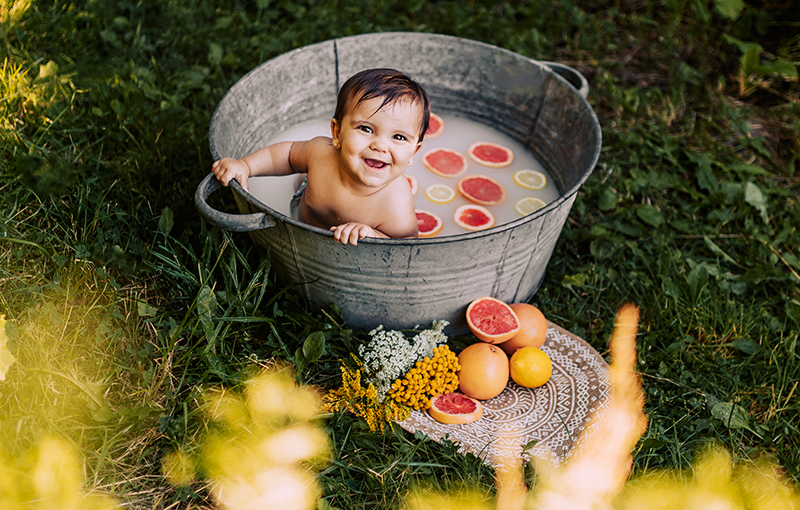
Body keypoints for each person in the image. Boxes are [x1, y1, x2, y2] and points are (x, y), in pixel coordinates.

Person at [212, 68, 431, 245]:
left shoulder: (396, 202)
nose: (380, 146)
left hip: (350, 253)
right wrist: (245, 166)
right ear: (337, 133)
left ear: (413, 152)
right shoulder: (321, 153)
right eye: (366, 129)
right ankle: (303, 178)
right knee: (303, 169)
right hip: (302, 211)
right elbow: (286, 155)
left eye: (399, 137)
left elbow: (406, 246)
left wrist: (373, 235)